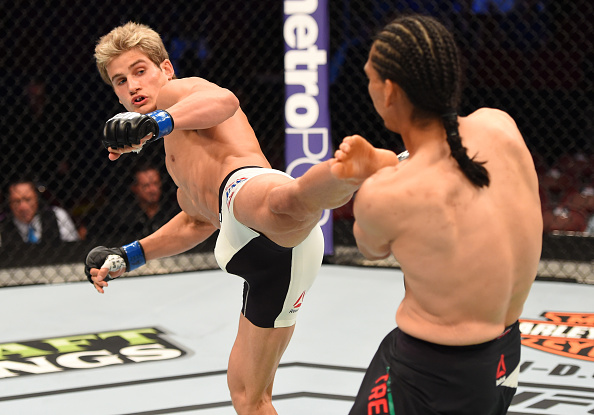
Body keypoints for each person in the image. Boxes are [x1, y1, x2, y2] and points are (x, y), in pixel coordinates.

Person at [85, 22, 361, 415]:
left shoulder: (178, 93)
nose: (131, 86)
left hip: (253, 196)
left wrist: (158, 121)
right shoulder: (177, 162)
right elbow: (196, 221)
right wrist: (129, 255)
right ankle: (336, 182)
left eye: (140, 70)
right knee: (248, 397)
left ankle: (352, 173)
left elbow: (225, 101)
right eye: (119, 80)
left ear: (165, 69)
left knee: (281, 202)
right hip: (264, 262)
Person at [330, 15, 543, 414]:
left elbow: (370, 245)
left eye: (370, 78)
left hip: (430, 373)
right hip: (503, 358)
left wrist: (373, 174)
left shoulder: (386, 194)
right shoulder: (501, 126)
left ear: (389, 91)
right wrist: (385, 163)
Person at [0, 177, 80, 248]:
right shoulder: (2, 227)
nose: (23, 207)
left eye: (28, 199)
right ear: (9, 203)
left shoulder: (57, 216)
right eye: (16, 201)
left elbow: (73, 247)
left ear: (36, 199)